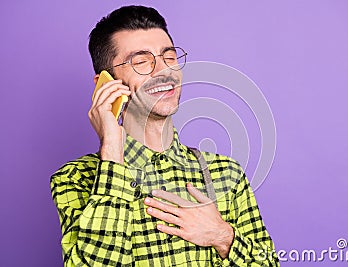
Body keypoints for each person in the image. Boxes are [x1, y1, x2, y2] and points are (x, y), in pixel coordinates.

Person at [50, 5, 279, 267]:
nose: (163, 70)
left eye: (169, 57)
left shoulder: (226, 172)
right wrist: (112, 150)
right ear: (105, 83)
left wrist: (223, 236)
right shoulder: (76, 178)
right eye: (141, 61)